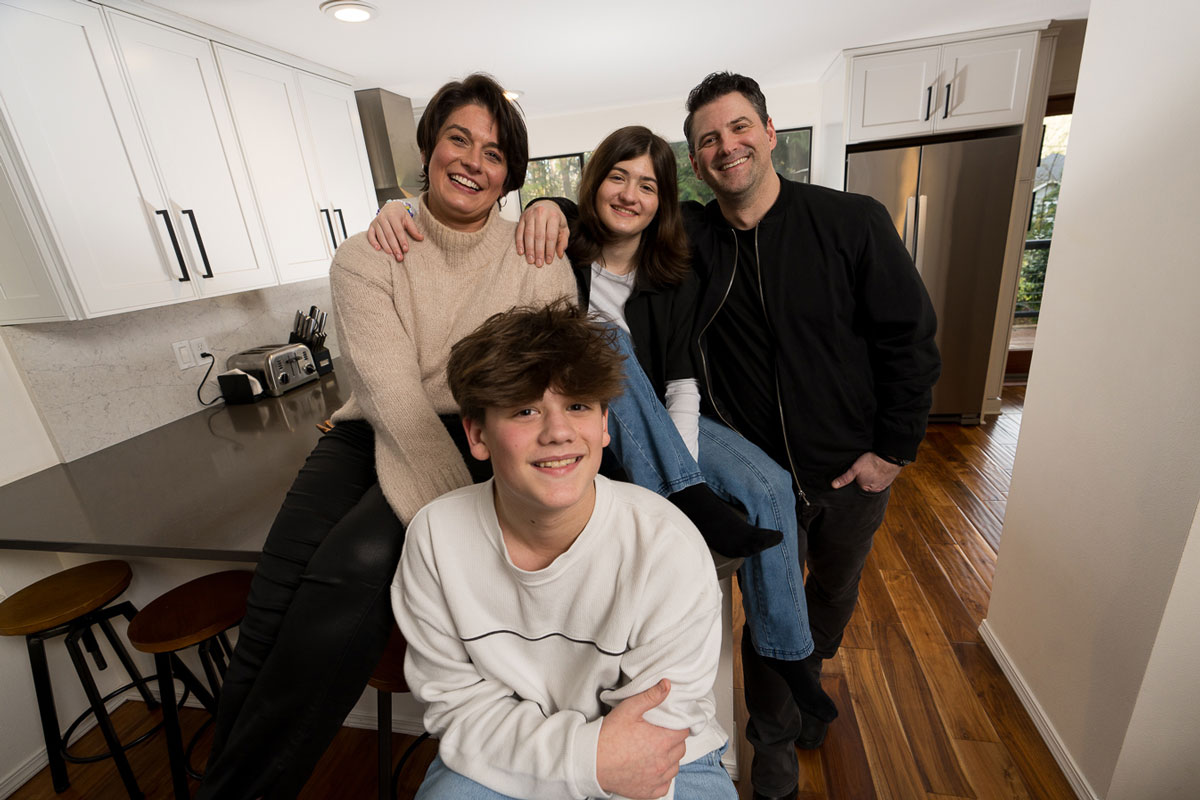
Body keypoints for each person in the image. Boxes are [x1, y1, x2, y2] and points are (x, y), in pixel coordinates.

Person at [382, 73, 942, 800]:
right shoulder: (571, 251)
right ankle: (771, 735)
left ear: (770, 134)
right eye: (709, 139)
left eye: (739, 130)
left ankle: (802, 669)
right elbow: (532, 242)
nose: (726, 147)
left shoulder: (820, 226)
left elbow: (906, 337)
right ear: (699, 161)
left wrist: (893, 447)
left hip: (829, 458)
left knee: (831, 586)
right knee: (605, 347)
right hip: (618, 434)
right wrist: (526, 203)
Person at [370, 125, 837, 725]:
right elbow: (485, 231)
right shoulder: (559, 248)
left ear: (663, 200)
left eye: (647, 184)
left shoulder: (673, 271)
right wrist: (406, 205)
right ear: (593, 184)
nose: (629, 193)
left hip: (669, 423)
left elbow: (682, 383)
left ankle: (790, 654)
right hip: (587, 430)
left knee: (769, 484)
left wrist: (684, 463)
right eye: (617, 176)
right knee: (604, 340)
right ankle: (687, 497)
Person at [196, 73, 575, 799]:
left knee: (356, 560)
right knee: (271, 603)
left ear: (510, 175)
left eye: (494, 153)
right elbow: (393, 394)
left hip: (475, 436)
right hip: (369, 424)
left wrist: (461, 518)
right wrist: (454, 509)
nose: (472, 160)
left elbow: (543, 384)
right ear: (429, 148)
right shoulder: (368, 254)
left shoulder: (537, 255)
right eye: (458, 139)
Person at [395, 301, 736, 800]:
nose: (557, 432)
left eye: (577, 406)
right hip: (504, 751)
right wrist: (581, 761)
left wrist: (593, 765)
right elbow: (456, 706)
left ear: (603, 424)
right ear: (477, 434)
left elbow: (650, 736)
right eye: (526, 409)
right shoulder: (434, 538)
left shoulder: (667, 545)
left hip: (667, 755)